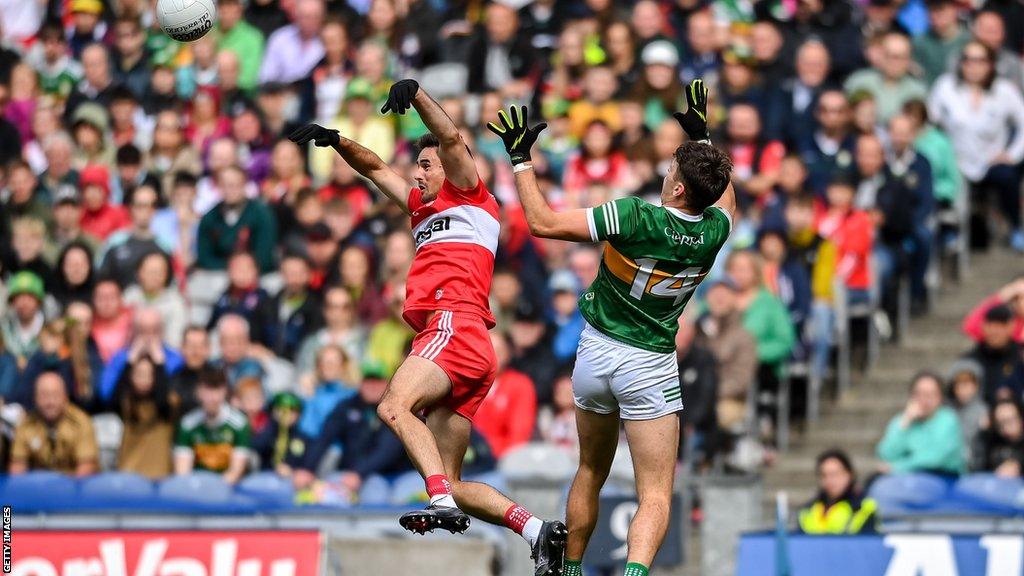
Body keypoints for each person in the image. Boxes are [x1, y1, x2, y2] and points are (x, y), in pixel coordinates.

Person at [288, 78, 565, 575]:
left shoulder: (470, 196)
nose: (417, 173)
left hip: (452, 326)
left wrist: (417, 97)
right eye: (417, 164)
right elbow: (374, 168)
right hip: (472, 344)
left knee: (394, 406)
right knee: (452, 476)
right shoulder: (420, 207)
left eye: (425, 164)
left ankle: (440, 503)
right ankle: (538, 530)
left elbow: (454, 141)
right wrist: (337, 140)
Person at [489, 80, 734, 576]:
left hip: (596, 353)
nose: (665, 172)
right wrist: (704, 140)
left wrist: (520, 160)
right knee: (656, 492)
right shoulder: (715, 231)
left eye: (671, 170)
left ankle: (573, 570)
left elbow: (542, 223)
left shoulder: (633, 215)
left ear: (679, 188)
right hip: (650, 364)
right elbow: (729, 203)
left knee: (590, 469)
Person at [876, 371, 966, 476]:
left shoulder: (948, 420)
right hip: (907, 477)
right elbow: (885, 455)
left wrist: (897, 467)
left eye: (929, 395)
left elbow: (936, 458)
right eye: (918, 394)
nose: (923, 400)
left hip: (942, 477)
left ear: (940, 397)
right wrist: (905, 423)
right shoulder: (902, 420)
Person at [9, 371, 98, 476]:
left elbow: (86, 468)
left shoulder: (81, 423)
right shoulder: (26, 425)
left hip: (73, 488)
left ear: (65, 397)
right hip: (37, 488)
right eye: (44, 395)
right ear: (35, 398)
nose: (50, 402)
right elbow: (17, 468)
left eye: (55, 395)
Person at [173, 366, 250, 484]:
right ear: (198, 392)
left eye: (216, 390)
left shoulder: (239, 424)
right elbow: (182, 472)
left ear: (225, 391)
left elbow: (235, 471)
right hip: (195, 488)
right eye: (207, 390)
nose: (212, 398)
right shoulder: (187, 424)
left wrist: (214, 491)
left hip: (228, 490)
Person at [474, 332, 537, 459]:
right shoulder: (466, 383)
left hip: (501, 463)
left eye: (498, 351)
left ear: (508, 354)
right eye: (487, 349)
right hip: (465, 460)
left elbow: (519, 437)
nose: (492, 355)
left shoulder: (520, 385)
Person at [114, 353, 175, 478]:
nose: (144, 380)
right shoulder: (127, 403)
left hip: (159, 476)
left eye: (149, 375)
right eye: (139, 374)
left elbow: (162, 402)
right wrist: (129, 361)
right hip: (128, 475)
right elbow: (114, 399)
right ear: (131, 377)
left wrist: (159, 364)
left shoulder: (169, 402)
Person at [797, 449, 877, 534]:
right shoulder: (808, 510)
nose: (829, 480)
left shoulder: (864, 507)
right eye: (824, 475)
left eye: (834, 474)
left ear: (849, 474)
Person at [946, 358, 988, 469]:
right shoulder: (946, 411)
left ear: (977, 385)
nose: (963, 389)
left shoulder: (984, 411)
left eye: (967, 383)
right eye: (958, 384)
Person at [980, 400, 1024, 477]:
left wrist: (1019, 467)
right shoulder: (992, 442)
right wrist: (982, 433)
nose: (1005, 427)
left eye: (1010, 420)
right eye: (1000, 423)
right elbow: (980, 468)